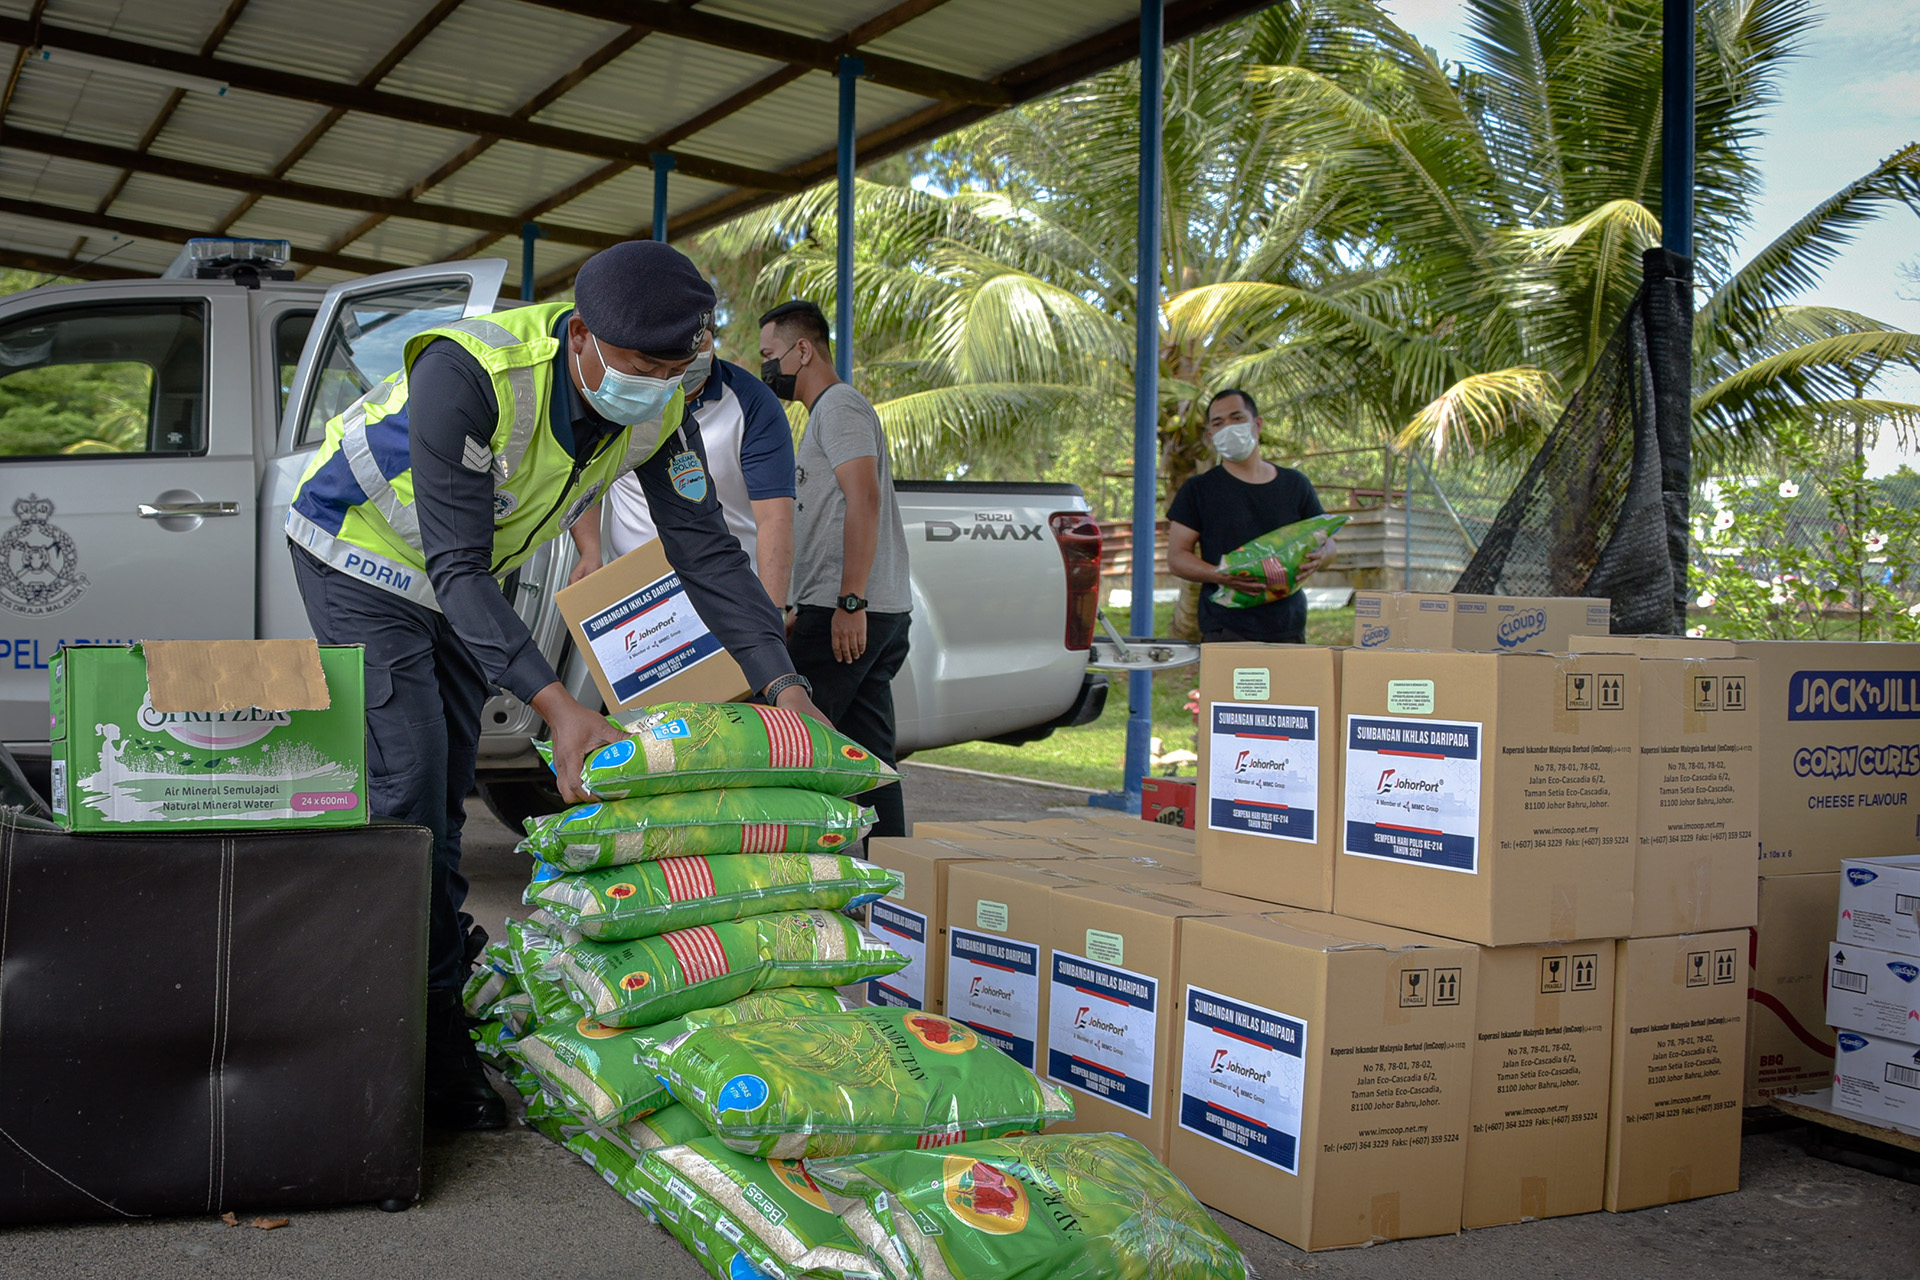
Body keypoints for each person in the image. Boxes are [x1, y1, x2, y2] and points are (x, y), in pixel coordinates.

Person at [284, 241, 825, 1132]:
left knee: (447, 790)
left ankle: (437, 980)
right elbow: (455, 567)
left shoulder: (662, 402)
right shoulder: (473, 373)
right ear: (581, 338)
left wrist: (782, 681)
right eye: (644, 365)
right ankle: (411, 1038)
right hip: (361, 555)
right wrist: (561, 709)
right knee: (410, 786)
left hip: (460, 576)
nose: (660, 384)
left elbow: (706, 554)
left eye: (679, 367)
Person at [759, 300, 911, 839]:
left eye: (770, 355)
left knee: (790, 742)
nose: (767, 369)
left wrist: (849, 601)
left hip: (849, 611)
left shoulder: (839, 406)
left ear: (804, 350)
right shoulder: (825, 416)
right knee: (869, 758)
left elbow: (863, 499)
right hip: (858, 609)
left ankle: (789, 879)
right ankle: (896, 890)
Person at [566, 336, 796, 609]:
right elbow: (587, 473)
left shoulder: (751, 402)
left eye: (698, 346)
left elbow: (774, 519)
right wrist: (590, 550)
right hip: (638, 596)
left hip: (726, 594)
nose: (684, 357)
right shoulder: (623, 393)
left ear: (714, 338)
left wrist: (772, 614)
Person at [1166, 387, 1337, 644]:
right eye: (1218, 423)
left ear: (1257, 424)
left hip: (1288, 627)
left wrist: (1322, 556)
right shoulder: (1198, 490)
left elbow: (1328, 539)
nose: (1228, 428)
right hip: (1225, 628)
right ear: (1211, 435)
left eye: (1237, 419)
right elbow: (1177, 558)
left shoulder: (1295, 484)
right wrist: (1218, 574)